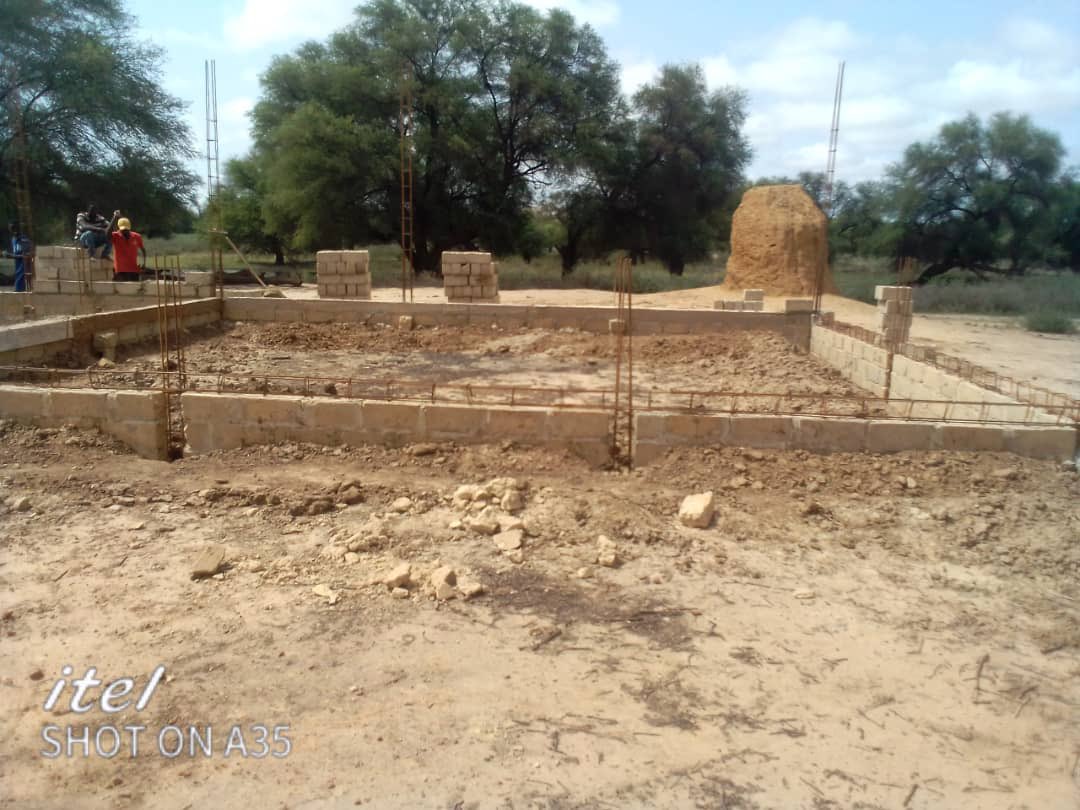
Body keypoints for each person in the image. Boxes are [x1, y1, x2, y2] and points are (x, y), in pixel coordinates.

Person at [110, 217, 146, 281]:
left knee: (134, 289)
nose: (125, 231)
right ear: (119, 228)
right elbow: (107, 233)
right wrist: (114, 218)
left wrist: (144, 263)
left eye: (126, 229)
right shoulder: (115, 236)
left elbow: (143, 250)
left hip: (133, 269)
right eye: (123, 230)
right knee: (121, 289)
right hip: (120, 270)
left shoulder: (137, 236)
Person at [3, 221, 34, 292]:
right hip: (18, 269)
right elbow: (16, 253)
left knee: (22, 291)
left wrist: (10, 255)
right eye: (11, 229)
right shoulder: (14, 240)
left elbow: (26, 256)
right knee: (18, 290)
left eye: (14, 228)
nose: (13, 231)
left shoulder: (23, 240)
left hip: (24, 269)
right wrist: (8, 254)